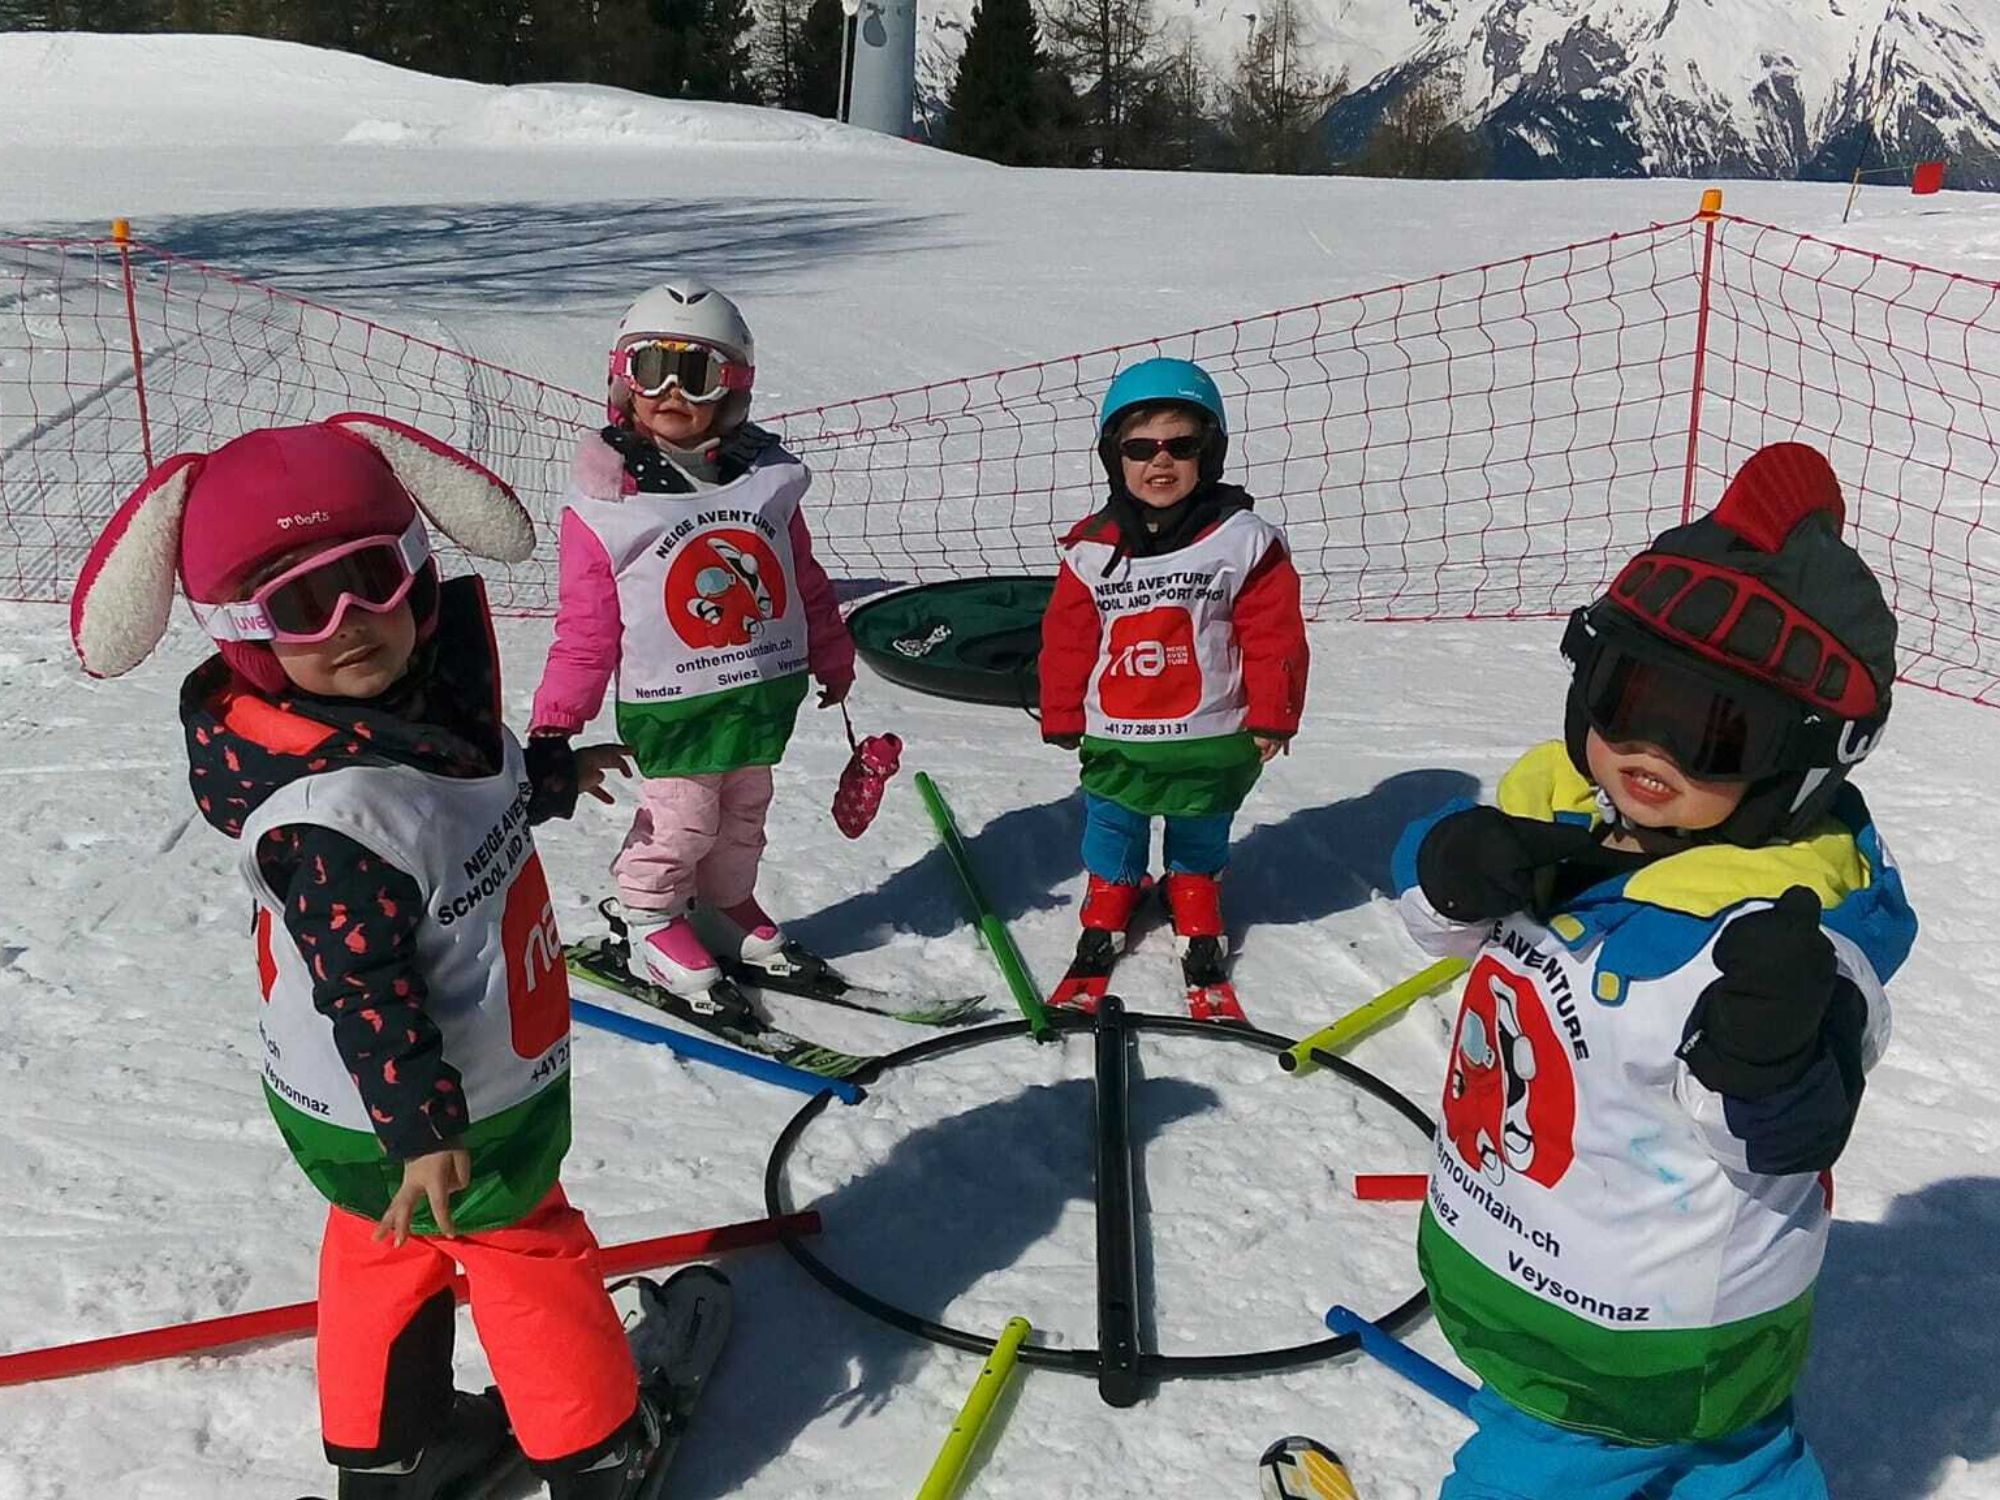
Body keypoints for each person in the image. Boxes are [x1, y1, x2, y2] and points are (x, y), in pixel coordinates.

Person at [69, 415, 659, 1500]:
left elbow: (450, 807)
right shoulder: (332, 816)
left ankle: (394, 1446)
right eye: (299, 605)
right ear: (247, 634)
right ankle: (597, 1452)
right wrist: (426, 1132)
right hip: (444, 1105)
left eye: (370, 579)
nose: (349, 626)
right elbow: (365, 985)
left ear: (418, 570)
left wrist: (555, 782)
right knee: (524, 1248)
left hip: (352, 1117)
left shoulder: (398, 721)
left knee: (380, 1252)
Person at [1392, 442, 1918, 1498]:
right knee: (1736, 1458)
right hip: (1545, 1280)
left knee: (1539, 1473)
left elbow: (1781, 1134)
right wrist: (1448, 866)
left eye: (1713, 731)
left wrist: (1764, 1053)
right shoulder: (1559, 809)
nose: (1650, 747)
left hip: (1621, 1353)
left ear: (1799, 761)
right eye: (1625, 697)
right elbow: (1439, 931)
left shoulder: (1778, 936)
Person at [531, 275, 854, 1013]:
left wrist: (832, 653)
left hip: (759, 697)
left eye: (697, 372)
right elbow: (585, 633)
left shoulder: (765, 483)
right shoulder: (606, 508)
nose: (672, 389)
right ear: (623, 382)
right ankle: (647, 915)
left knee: (745, 812)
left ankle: (723, 904)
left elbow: (802, 580)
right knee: (682, 820)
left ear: (732, 387)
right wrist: (556, 724)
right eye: (651, 368)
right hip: (674, 707)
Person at [1038, 357, 1308, 1021]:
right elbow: (1070, 637)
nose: (1160, 464)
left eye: (1180, 446)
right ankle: (1110, 898)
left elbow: (1274, 636)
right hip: (1119, 734)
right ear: (1114, 458)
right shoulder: (1092, 550)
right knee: (1113, 819)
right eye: (1140, 449)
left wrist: (1274, 713)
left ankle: (1194, 896)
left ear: (1208, 453)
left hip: (1213, 735)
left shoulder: (1243, 541)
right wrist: (1064, 709)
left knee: (1201, 822)